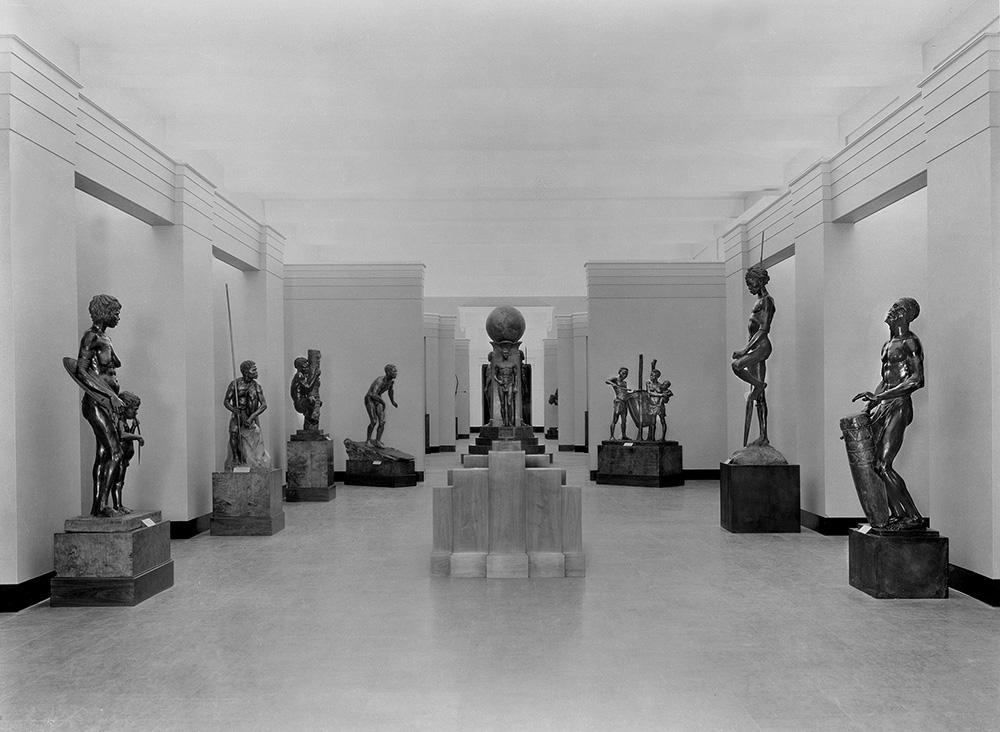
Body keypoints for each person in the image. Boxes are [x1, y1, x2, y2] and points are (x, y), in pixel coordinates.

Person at [852, 297, 925, 530]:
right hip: (885, 405)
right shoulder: (888, 344)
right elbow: (885, 381)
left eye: (896, 308)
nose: (890, 311)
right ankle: (897, 515)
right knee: (876, 464)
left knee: (883, 464)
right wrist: (869, 408)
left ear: (905, 314)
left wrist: (881, 398)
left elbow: (917, 380)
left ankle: (913, 517)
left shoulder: (911, 343)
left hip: (900, 405)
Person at [74, 294, 127, 516]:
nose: (118, 317)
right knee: (116, 452)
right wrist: (109, 395)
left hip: (108, 404)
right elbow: (81, 371)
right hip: (96, 402)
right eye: (115, 313)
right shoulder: (90, 337)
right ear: (104, 312)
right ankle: (104, 505)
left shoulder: (105, 338)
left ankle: (98, 507)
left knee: (104, 453)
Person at [731, 264, 774, 447]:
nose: (749, 287)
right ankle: (763, 436)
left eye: (751, 283)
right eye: (747, 284)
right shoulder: (759, 301)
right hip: (755, 349)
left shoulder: (767, 301)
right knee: (760, 396)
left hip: (761, 348)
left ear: (760, 280)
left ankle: (758, 384)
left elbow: (763, 330)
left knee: (736, 365)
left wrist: (744, 350)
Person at [224, 360, 269, 469]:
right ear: (245, 372)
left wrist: (252, 417)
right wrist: (234, 410)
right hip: (238, 415)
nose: (256, 372)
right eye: (253, 370)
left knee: (255, 438)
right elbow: (226, 401)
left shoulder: (256, 387)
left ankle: (255, 461)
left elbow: (263, 405)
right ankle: (235, 458)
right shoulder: (235, 384)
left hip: (251, 417)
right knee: (233, 432)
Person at [112, 391, 144, 514]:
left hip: (125, 457)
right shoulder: (120, 420)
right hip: (119, 456)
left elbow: (127, 434)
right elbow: (122, 435)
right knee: (117, 481)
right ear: (125, 408)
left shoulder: (125, 421)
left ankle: (119, 505)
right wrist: (137, 437)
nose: (136, 413)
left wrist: (134, 427)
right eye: (134, 410)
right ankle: (117, 505)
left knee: (120, 481)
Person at [365, 364, 398, 448]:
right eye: (394, 371)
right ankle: (368, 440)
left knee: (382, 422)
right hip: (370, 399)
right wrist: (383, 403)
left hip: (378, 399)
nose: (396, 373)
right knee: (374, 421)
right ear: (388, 372)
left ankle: (378, 441)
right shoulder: (380, 381)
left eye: (396, 371)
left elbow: (390, 391)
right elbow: (373, 394)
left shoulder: (390, 381)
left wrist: (392, 401)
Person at [290, 355, 322, 431]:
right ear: (299, 367)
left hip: (302, 401)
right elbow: (308, 388)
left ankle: (309, 418)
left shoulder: (302, 376)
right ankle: (310, 418)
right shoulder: (299, 376)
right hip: (300, 403)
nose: (307, 368)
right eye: (305, 367)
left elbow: (306, 389)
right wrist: (315, 375)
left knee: (317, 402)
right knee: (312, 401)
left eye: (308, 366)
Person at [645, 361, 673, 441]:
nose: (651, 377)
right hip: (652, 405)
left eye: (653, 376)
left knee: (662, 421)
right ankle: (651, 438)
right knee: (652, 422)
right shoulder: (648, 383)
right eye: (651, 375)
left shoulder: (660, 385)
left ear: (657, 377)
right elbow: (649, 393)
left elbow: (666, 392)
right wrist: (653, 365)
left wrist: (666, 395)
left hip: (659, 405)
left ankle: (663, 437)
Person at [493, 346, 518, 427]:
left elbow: (516, 376)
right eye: (504, 353)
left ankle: (510, 422)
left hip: (510, 383)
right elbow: (494, 375)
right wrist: (498, 381)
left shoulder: (513, 364)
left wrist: (515, 387)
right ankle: (504, 421)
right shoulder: (498, 364)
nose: (505, 355)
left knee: (509, 403)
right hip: (501, 384)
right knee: (502, 403)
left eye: (507, 353)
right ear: (502, 354)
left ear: (509, 354)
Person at [606, 367, 630, 440]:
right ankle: (612, 436)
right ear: (619, 372)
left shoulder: (624, 383)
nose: (624, 375)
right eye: (623, 373)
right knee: (615, 419)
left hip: (624, 402)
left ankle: (624, 435)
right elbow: (607, 380)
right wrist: (614, 384)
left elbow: (625, 393)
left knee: (624, 420)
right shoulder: (616, 380)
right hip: (618, 402)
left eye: (626, 374)